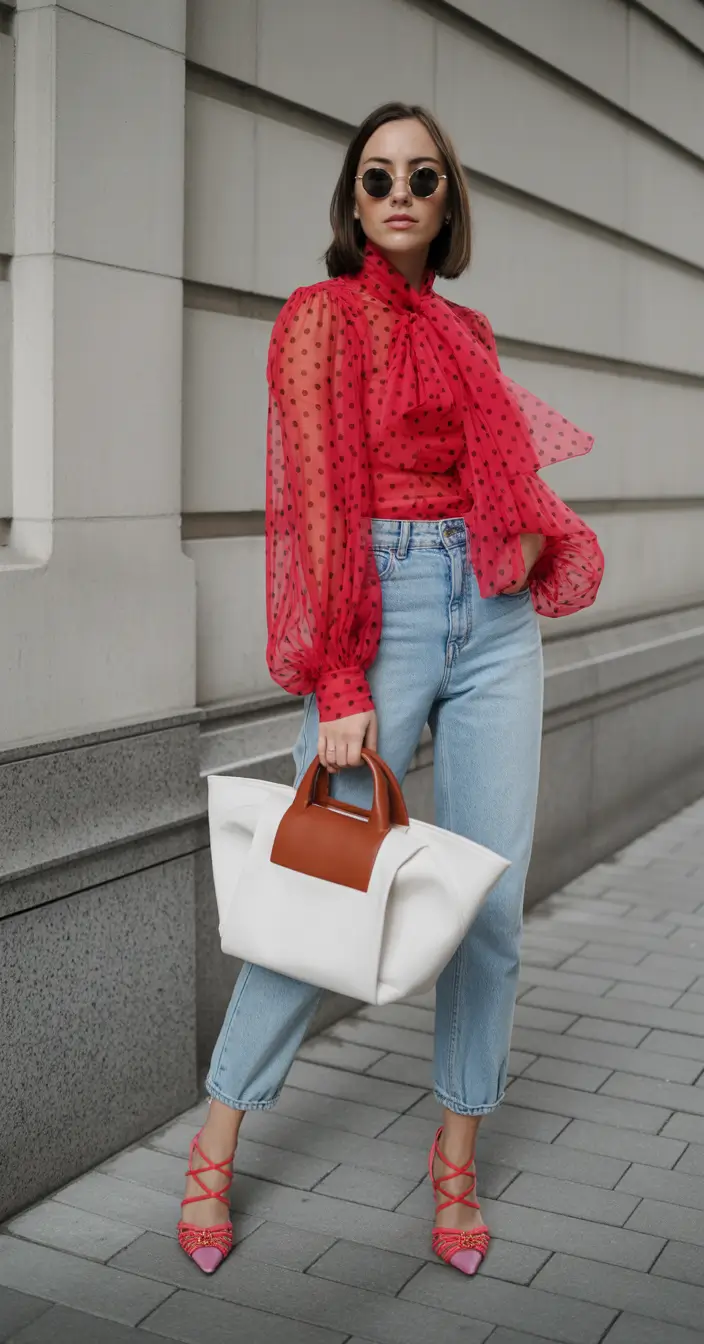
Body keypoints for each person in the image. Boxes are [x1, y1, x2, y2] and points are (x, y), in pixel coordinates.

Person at [177, 101, 604, 1278]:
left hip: (494, 619)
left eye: (422, 176)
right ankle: (216, 1145)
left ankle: (455, 1160)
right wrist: (335, 670)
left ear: (447, 198)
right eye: (377, 178)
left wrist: (518, 545)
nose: (400, 193)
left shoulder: (467, 329)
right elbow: (314, 504)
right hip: (383, 609)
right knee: (322, 878)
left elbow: (500, 469)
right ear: (352, 200)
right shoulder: (317, 322)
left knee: (492, 906)